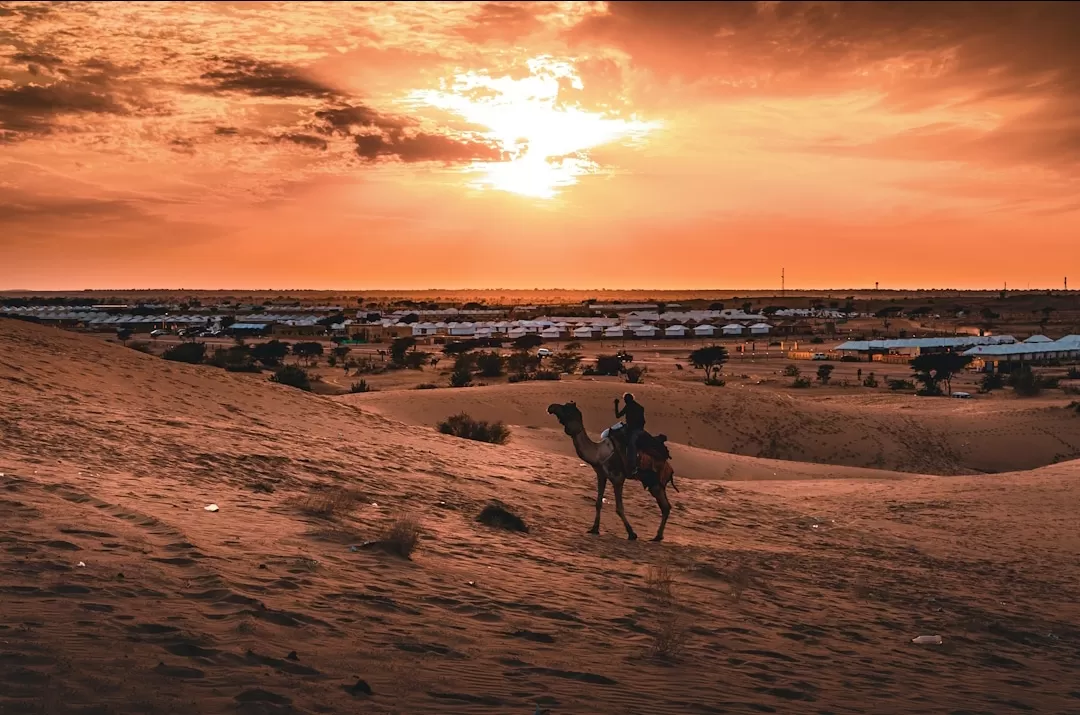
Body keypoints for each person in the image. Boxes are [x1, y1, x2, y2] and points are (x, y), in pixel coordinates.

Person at [614, 393, 646, 476]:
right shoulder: (633, 406)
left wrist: (616, 405)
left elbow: (618, 415)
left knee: (631, 444)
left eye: (625, 399)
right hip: (631, 428)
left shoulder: (633, 407)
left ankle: (632, 466)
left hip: (636, 430)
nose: (625, 401)